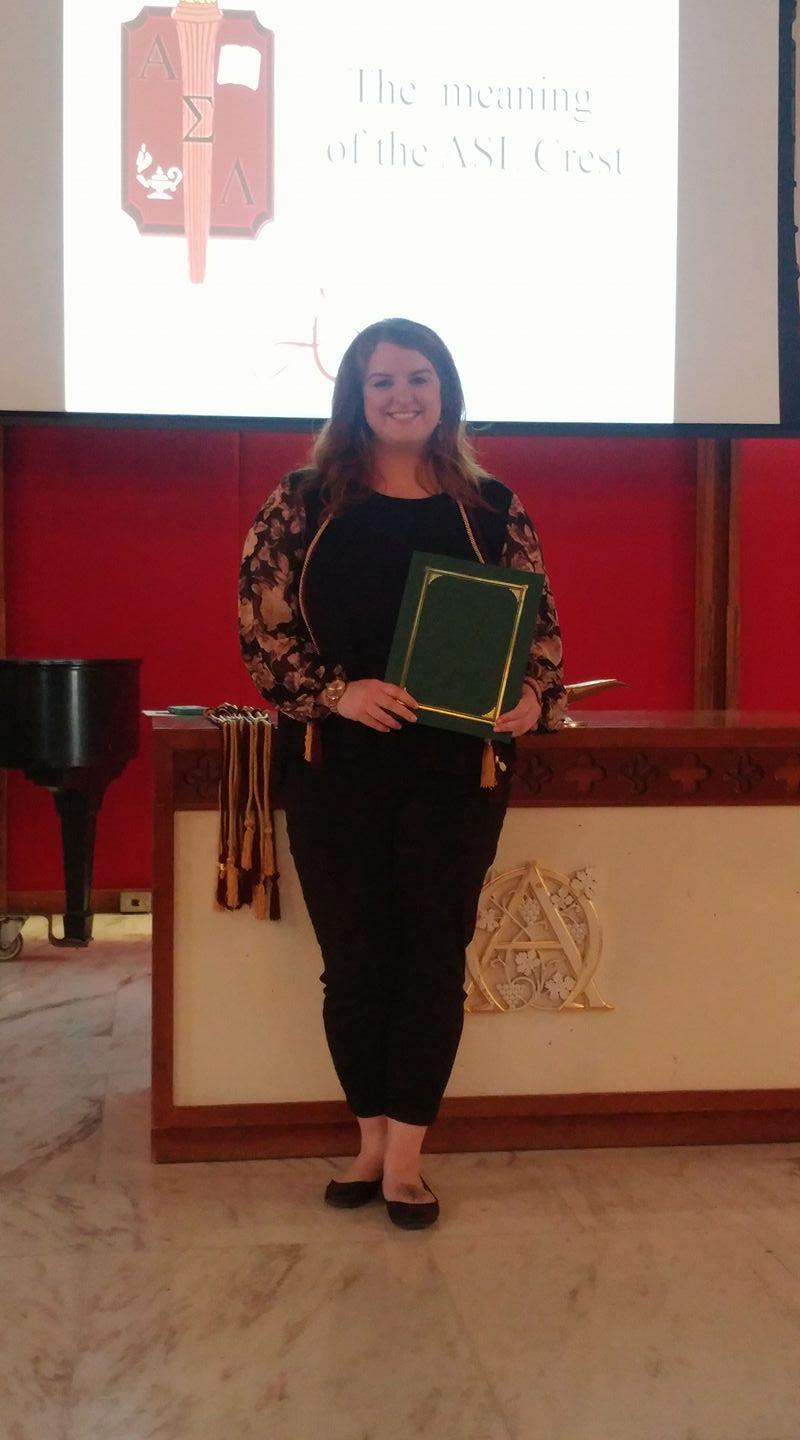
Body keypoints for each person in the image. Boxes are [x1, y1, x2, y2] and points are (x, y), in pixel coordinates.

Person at [238, 317, 566, 1229]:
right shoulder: (301, 502)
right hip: (334, 766)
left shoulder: (492, 504)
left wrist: (535, 696)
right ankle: (370, 1141)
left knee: (431, 962)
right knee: (355, 964)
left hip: (457, 773)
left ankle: (409, 1163)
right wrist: (337, 693)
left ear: (446, 392)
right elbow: (262, 634)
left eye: (419, 379)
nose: (402, 396)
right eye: (382, 382)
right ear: (355, 396)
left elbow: (541, 637)